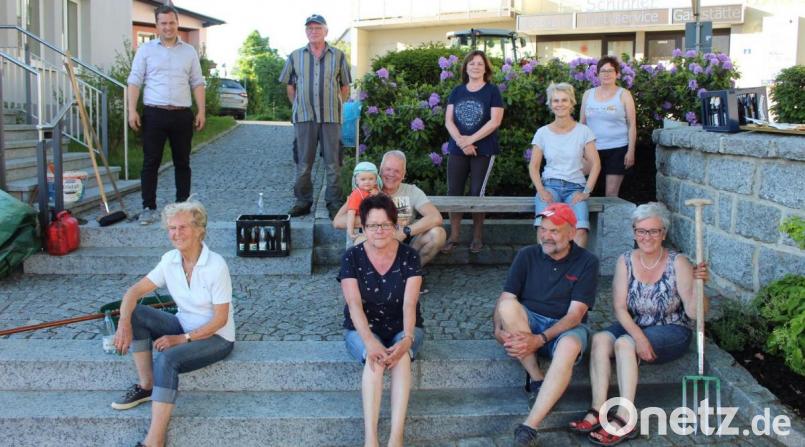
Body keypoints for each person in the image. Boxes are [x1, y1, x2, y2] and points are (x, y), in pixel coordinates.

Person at [569, 202, 709, 446]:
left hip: (672, 328)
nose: (647, 237)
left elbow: (694, 312)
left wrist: (700, 286)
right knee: (600, 339)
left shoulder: (678, 262)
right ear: (634, 233)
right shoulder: (625, 260)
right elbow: (620, 308)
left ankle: (625, 417)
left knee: (625, 343)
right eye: (641, 231)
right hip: (636, 324)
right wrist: (640, 338)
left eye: (654, 231)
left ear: (663, 233)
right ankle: (598, 409)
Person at [111, 200, 235, 447]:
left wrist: (182, 339)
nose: (176, 234)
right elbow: (133, 292)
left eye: (183, 227)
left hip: (217, 336)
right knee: (136, 313)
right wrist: (123, 322)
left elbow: (220, 319)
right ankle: (147, 386)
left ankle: (154, 441)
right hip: (183, 325)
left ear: (199, 230)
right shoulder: (169, 260)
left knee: (167, 359)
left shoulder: (216, 265)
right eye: (171, 228)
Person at [493, 203, 599, 447]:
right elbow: (506, 297)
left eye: (554, 231)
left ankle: (529, 427)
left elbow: (575, 315)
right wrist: (498, 329)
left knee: (570, 345)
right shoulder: (527, 255)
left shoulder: (587, 261)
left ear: (571, 233)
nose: (546, 236)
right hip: (530, 321)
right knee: (507, 307)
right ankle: (538, 379)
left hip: (566, 326)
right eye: (543, 229)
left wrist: (540, 339)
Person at [338, 194, 425, 447]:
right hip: (362, 328)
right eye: (373, 225)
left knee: (401, 359)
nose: (379, 230)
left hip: (404, 326)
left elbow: (410, 303)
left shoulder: (409, 256)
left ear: (395, 226)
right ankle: (371, 439)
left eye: (386, 224)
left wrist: (407, 338)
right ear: (363, 228)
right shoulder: (351, 257)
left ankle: (396, 438)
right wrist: (369, 341)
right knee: (374, 360)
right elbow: (354, 304)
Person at [127, 5, 206, 226]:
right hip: (154, 114)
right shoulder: (146, 50)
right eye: (163, 23)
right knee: (151, 162)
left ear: (177, 23)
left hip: (182, 115)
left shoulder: (189, 52)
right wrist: (131, 110)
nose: (168, 27)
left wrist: (201, 110)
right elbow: (134, 80)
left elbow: (197, 82)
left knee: (183, 162)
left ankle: (183, 208)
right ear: (157, 25)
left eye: (171, 23)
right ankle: (148, 207)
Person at [279, 14, 351, 219]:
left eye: (318, 28)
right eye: (309, 28)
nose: (313, 31)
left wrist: (335, 106)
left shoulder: (338, 56)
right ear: (306, 32)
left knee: (333, 163)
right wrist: (299, 107)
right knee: (303, 163)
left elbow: (345, 87)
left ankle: (334, 202)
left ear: (326, 31)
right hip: (304, 118)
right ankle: (303, 201)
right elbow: (290, 87)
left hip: (331, 118)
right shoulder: (295, 56)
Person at [333, 150, 447, 267]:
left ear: (403, 174)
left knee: (438, 234)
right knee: (363, 242)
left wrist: (404, 232)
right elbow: (338, 222)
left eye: (397, 171)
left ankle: (411, 271)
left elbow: (435, 217)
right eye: (388, 169)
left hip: (403, 242)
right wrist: (381, 221)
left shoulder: (412, 191)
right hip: (374, 240)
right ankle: (376, 275)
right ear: (380, 170)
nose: (391, 174)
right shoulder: (365, 190)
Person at [442, 50, 504, 254]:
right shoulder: (457, 91)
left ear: (486, 69)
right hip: (457, 149)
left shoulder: (492, 91)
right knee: (454, 192)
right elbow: (448, 121)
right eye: (472, 63)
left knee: (478, 192)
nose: (475, 67)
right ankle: (454, 236)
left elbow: (495, 121)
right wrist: (462, 142)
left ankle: (477, 237)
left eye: (480, 64)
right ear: (466, 67)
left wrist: (470, 140)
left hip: (483, 150)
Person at [529, 82, 601, 248]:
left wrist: (586, 192)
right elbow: (533, 166)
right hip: (550, 188)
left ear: (571, 103)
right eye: (556, 100)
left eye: (564, 100)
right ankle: (546, 263)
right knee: (543, 227)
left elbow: (596, 164)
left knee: (580, 229)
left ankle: (573, 264)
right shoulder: (542, 133)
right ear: (550, 104)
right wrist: (541, 190)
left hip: (575, 189)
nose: (560, 104)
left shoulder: (584, 131)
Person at [580, 56, 637, 198]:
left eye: (610, 71)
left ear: (617, 74)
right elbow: (582, 124)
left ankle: (610, 214)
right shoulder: (588, 95)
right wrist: (580, 149)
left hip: (617, 150)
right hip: (591, 150)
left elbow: (632, 125)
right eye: (603, 71)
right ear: (597, 74)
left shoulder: (624, 95)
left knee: (611, 194)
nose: (606, 74)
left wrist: (631, 151)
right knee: (586, 191)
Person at [346, 161, 383, 247]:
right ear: (356, 180)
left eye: (371, 179)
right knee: (362, 248)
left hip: (374, 228)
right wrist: (350, 231)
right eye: (363, 179)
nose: (367, 182)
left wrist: (378, 194)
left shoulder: (376, 192)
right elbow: (351, 214)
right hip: (359, 230)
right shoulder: (356, 194)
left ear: (376, 180)